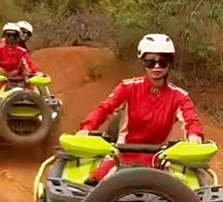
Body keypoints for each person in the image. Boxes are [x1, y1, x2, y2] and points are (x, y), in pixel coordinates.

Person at [80, 34, 203, 180]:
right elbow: (105, 108)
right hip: (122, 155)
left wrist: (194, 135)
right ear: (143, 63)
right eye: (150, 62)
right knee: (96, 183)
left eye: (162, 62)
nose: (157, 67)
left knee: (184, 185)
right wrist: (87, 128)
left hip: (157, 159)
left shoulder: (180, 96)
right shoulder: (127, 88)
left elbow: (190, 120)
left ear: (170, 63)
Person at [0, 22, 41, 94]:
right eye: (9, 35)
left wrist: (37, 72)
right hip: (1, 76)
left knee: (33, 91)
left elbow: (29, 63)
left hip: (17, 77)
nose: (11, 38)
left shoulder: (22, 51)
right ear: (5, 36)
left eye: (14, 35)